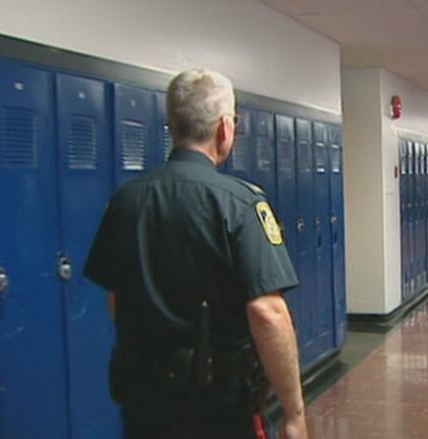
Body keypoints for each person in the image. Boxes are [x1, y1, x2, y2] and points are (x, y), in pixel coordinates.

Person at [84, 69, 308, 439]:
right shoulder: (239, 202)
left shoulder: (127, 200)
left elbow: (116, 297)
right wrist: (294, 412)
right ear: (224, 128)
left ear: (172, 125)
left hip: (145, 399)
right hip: (218, 405)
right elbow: (267, 312)